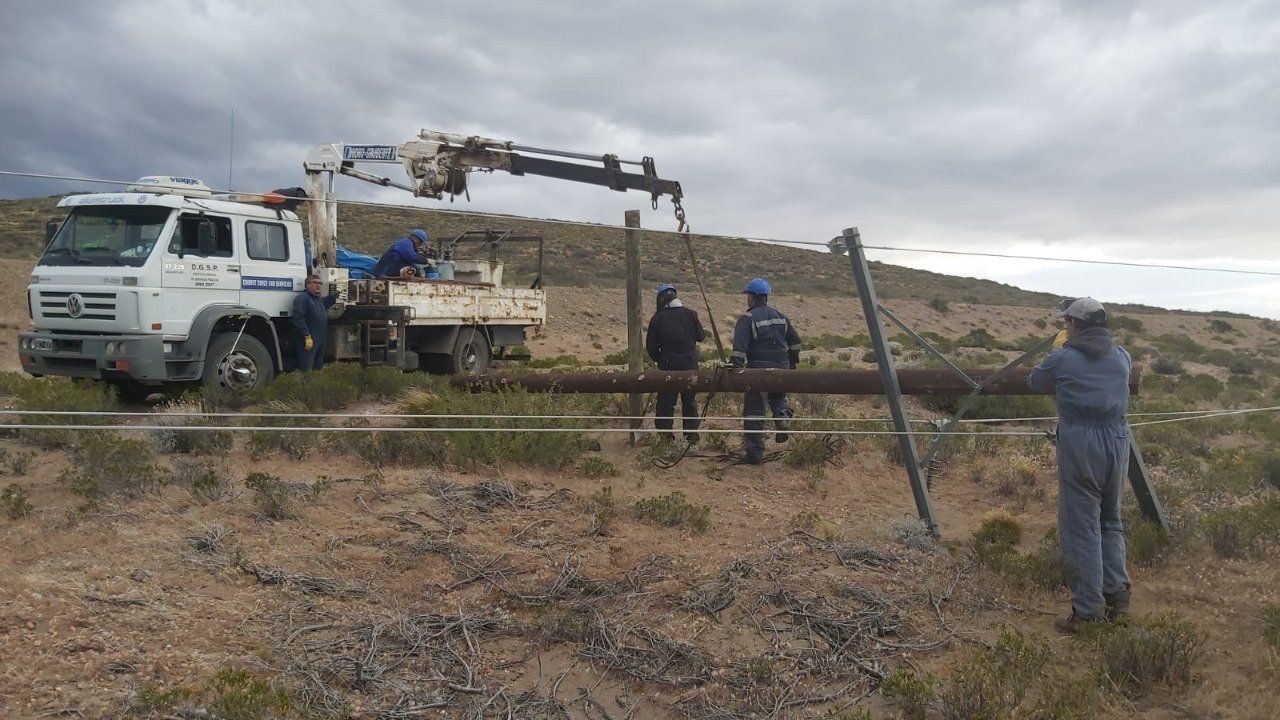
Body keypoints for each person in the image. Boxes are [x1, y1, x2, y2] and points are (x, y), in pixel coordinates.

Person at [1027, 297, 1133, 632]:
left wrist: (1059, 353)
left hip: (1082, 441)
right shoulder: (1122, 357)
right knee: (1110, 518)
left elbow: (1035, 382)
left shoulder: (1064, 358)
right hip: (1117, 438)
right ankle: (1118, 600)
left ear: (1073, 325)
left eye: (1066, 323)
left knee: (1080, 525)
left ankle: (1086, 612)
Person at [729, 277, 802, 465]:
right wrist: (791, 365)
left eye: (748, 296)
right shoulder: (780, 316)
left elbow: (739, 349)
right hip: (782, 367)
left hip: (758, 371)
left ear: (753, 297)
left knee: (754, 411)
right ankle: (782, 416)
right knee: (778, 399)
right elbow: (795, 342)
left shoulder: (747, 319)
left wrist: (735, 367)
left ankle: (755, 454)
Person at [645, 284, 706, 449]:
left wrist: (661, 359)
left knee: (665, 403)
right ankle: (691, 440)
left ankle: (666, 440)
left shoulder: (657, 319)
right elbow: (701, 336)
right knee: (690, 402)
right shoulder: (690, 314)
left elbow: (650, 347)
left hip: (668, 366)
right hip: (690, 365)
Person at [292, 274, 338, 372]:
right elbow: (298, 318)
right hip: (309, 339)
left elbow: (324, 305)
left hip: (320, 339)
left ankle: (315, 386)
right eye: (315, 283)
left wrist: (333, 297)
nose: (318, 285)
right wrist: (306, 335)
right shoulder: (302, 299)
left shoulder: (318, 299)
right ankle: (305, 386)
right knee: (307, 367)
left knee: (318, 367)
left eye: (319, 283)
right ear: (307, 285)